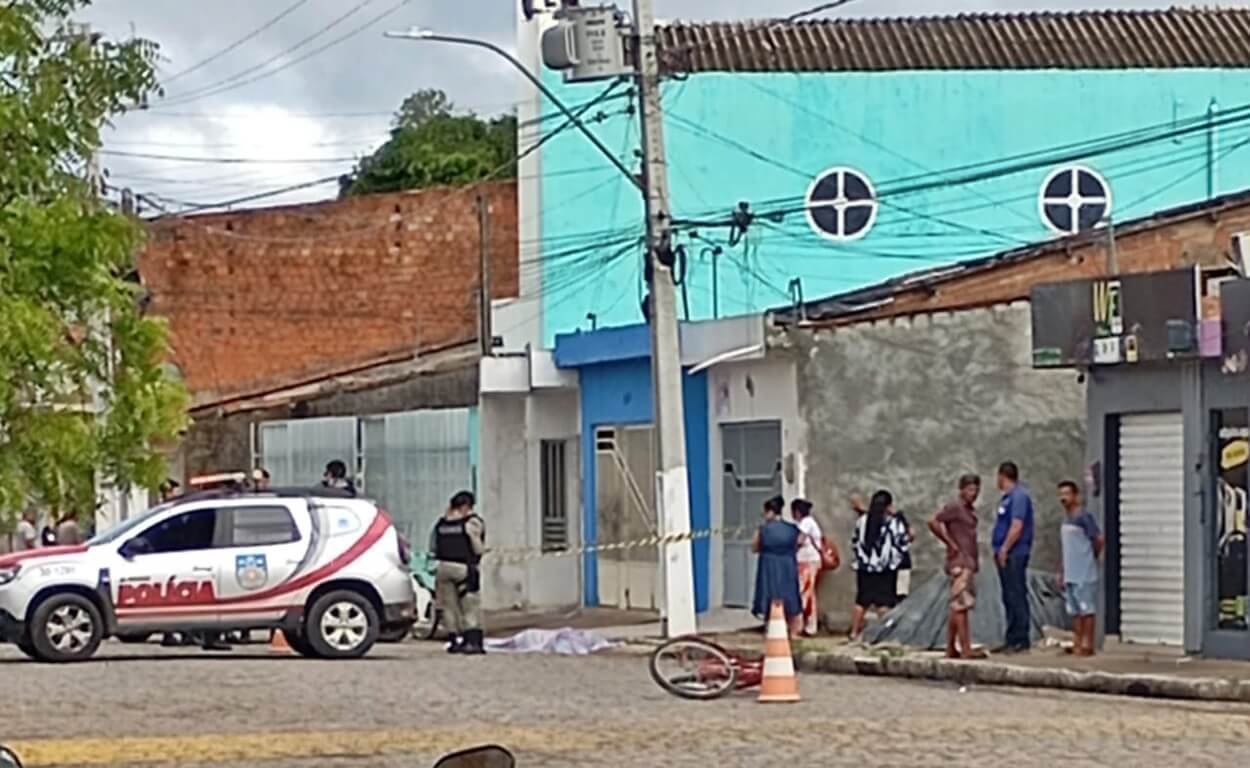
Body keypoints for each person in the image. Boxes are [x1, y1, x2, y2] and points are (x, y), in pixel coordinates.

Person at [929, 474, 982, 659]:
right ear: (961, 490)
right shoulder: (955, 507)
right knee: (961, 605)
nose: (973, 494)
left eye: (976, 490)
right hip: (960, 562)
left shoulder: (968, 511)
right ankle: (965, 647)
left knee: (956, 606)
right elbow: (933, 521)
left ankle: (951, 647)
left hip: (968, 561)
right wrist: (950, 543)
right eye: (970, 489)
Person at [850, 490, 909, 640]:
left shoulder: (862, 521)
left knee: (861, 601)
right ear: (888, 506)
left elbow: (855, 541)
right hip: (886, 568)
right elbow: (902, 542)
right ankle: (885, 634)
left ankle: (854, 632)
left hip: (864, 568)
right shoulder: (893, 522)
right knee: (884, 602)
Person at [432, 490, 486, 654]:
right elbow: (477, 548)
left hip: (443, 568)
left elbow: (433, 547)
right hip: (463, 568)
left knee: (449, 606)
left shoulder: (441, 524)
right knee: (470, 604)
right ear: (465, 506)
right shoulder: (471, 523)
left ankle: (454, 640)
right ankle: (472, 641)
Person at [992, 461, 1035, 653]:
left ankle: (1021, 638)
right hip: (1005, 553)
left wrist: (1005, 549)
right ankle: (1011, 638)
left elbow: (1017, 526)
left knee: (1017, 594)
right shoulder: (1007, 498)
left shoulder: (1019, 497)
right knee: (1008, 596)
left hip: (1015, 553)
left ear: (1002, 476)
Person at [1058, 481, 1104, 657]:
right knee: (1075, 611)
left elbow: (1098, 539)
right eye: (1061, 494)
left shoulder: (1084, 517)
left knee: (1087, 610)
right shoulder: (1066, 519)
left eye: (1067, 494)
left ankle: (1087, 644)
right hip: (1070, 573)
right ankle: (1077, 642)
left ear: (1076, 496)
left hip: (1084, 572)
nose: (1063, 498)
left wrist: (1092, 556)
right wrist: (1062, 570)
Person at [751, 495, 802, 635]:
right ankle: (793, 630)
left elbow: (754, 547)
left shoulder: (763, 529)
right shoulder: (792, 529)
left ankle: (770, 626)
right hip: (788, 564)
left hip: (768, 564)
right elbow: (799, 543)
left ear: (770, 512)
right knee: (789, 592)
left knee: (769, 593)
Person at [791, 498, 825, 637]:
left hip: (808, 561)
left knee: (805, 593)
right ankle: (808, 625)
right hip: (806, 561)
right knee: (807, 593)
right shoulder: (806, 522)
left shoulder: (806, 523)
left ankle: (805, 625)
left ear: (797, 512)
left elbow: (799, 540)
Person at [893, 508, 917, 602]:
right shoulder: (901, 525)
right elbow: (912, 535)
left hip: (895, 564)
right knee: (901, 594)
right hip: (902, 563)